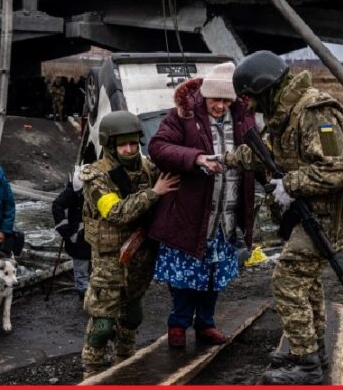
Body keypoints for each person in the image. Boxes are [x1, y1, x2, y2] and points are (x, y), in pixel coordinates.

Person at [224, 51, 343, 385]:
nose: (251, 107)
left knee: (287, 279)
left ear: (266, 89)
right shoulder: (285, 114)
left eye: (252, 98)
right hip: (311, 212)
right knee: (306, 281)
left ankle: (307, 365)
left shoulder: (317, 113)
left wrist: (291, 183)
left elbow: (339, 168)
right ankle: (312, 352)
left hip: (329, 216)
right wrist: (223, 159)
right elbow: (267, 152)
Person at [147, 62, 260, 348]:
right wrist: (195, 158)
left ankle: (206, 323)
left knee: (214, 275)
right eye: (215, 100)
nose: (220, 106)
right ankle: (178, 325)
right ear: (205, 96)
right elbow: (158, 147)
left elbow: (256, 153)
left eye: (226, 100)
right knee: (185, 276)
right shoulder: (182, 116)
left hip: (226, 216)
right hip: (190, 214)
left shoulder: (244, 118)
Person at [78, 111, 180, 378]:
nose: (129, 149)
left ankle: (126, 364)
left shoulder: (147, 168)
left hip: (140, 256)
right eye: (123, 144)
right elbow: (116, 213)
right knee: (102, 323)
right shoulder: (96, 177)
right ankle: (92, 372)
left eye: (133, 143)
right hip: (110, 260)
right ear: (110, 145)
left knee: (132, 315)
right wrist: (153, 193)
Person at [51, 165, 92, 300]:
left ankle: (94, 294)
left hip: (97, 234)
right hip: (79, 237)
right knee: (81, 267)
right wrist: (66, 229)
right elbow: (57, 205)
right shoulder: (73, 190)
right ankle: (83, 294)